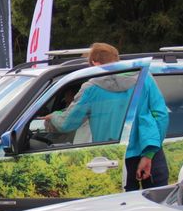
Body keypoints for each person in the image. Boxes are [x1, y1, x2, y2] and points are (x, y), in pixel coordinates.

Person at [44, 42, 170, 190]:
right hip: (150, 153)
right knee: (157, 208)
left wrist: (53, 116)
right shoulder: (145, 78)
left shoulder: (90, 88)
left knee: (121, 209)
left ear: (94, 63)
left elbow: (67, 123)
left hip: (113, 159)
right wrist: (149, 155)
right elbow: (161, 115)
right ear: (116, 59)